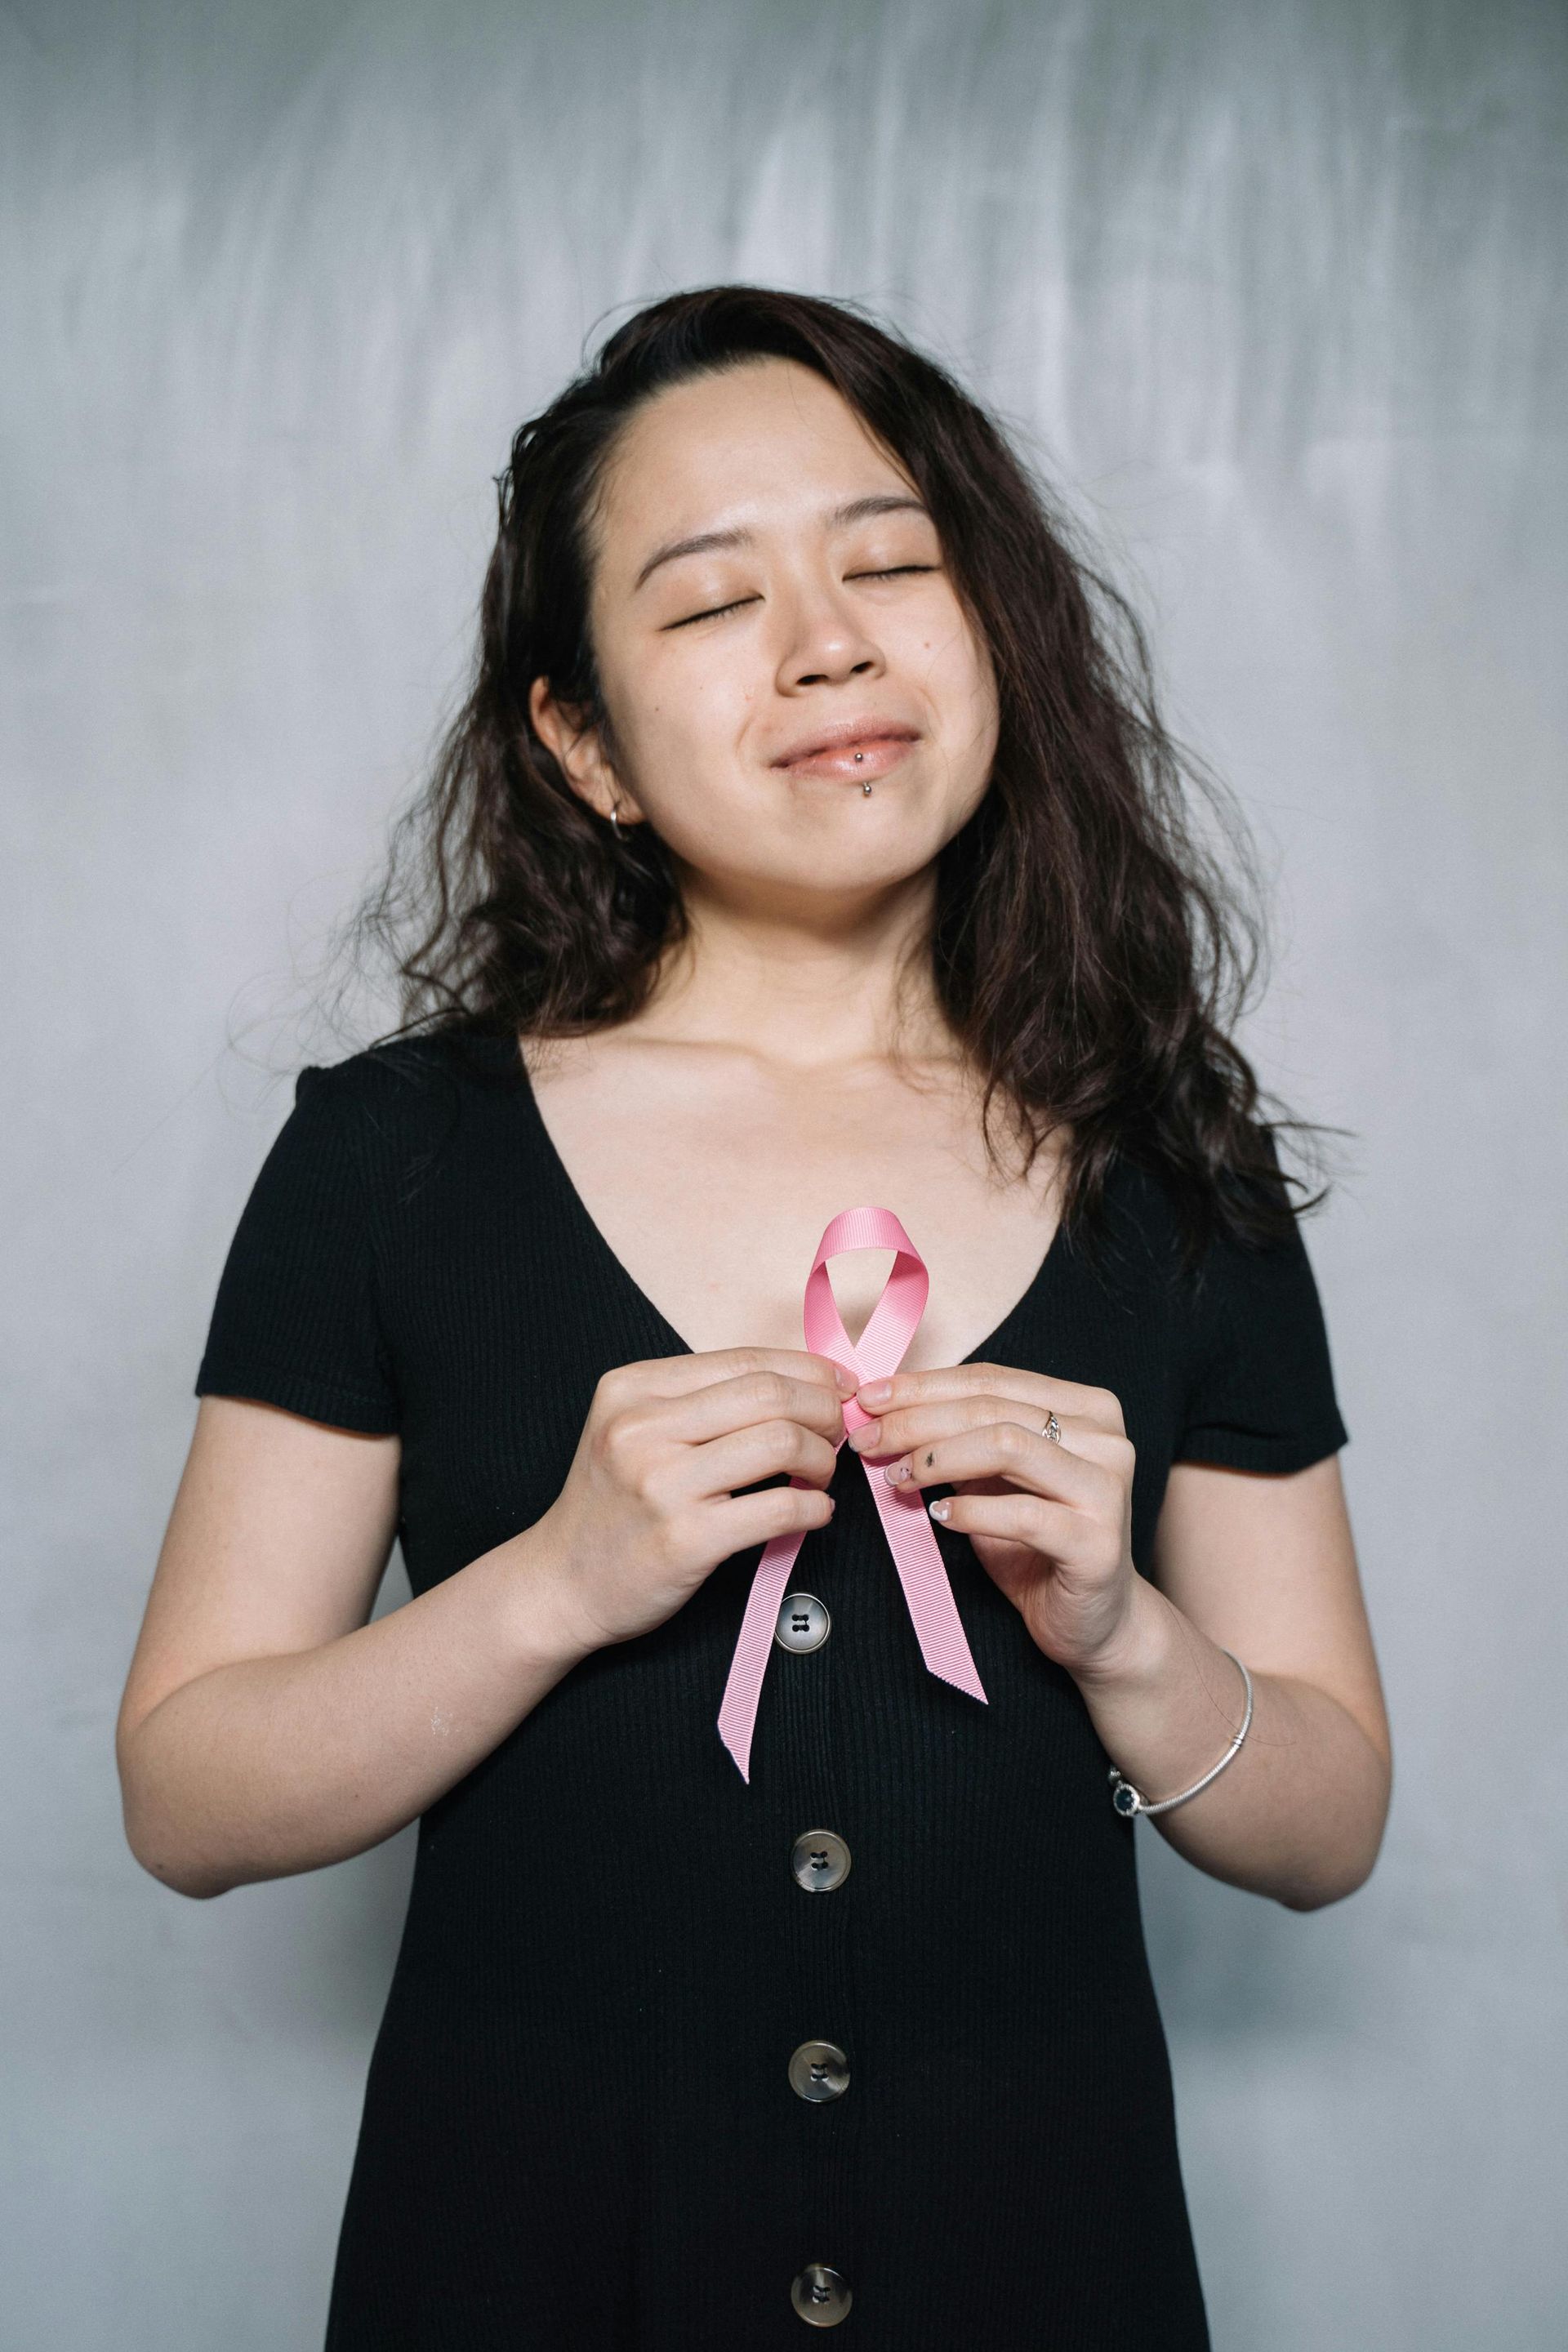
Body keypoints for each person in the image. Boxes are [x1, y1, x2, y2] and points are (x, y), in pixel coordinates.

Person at [116, 285, 1392, 2350]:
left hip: (1042, 2273)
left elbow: (1328, 1828)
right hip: (528, 2272)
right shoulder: (392, 1155)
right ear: (585, 745)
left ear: (996, 632)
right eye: (714, 602)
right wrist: (556, 1580)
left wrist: (1124, 1637)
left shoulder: (1172, 1159)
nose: (828, 643)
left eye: (893, 565)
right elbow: (185, 1798)